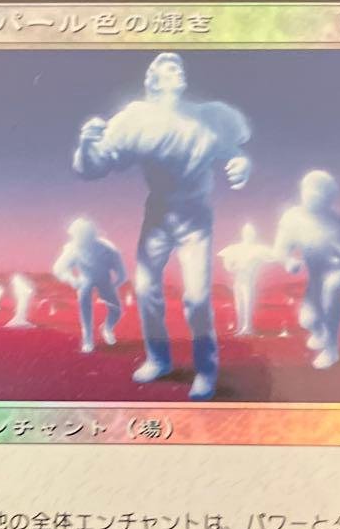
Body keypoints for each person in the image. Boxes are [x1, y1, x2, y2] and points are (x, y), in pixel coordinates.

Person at [72, 52, 251, 400]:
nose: (177, 72)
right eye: (169, 69)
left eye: (179, 68)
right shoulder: (136, 119)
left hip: (195, 218)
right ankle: (158, 358)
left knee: (197, 298)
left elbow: (232, 151)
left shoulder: (207, 118)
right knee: (145, 289)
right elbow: (93, 167)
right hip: (158, 214)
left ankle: (206, 370)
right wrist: (85, 144)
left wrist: (241, 164)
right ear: (153, 82)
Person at [273, 169, 340, 369]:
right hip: (317, 274)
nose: (312, 197)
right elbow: (280, 250)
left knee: (332, 287)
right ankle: (319, 331)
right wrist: (288, 261)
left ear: (329, 199)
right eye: (308, 191)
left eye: (319, 194)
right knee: (308, 320)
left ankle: (331, 349)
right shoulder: (292, 218)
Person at [52, 217, 127, 353]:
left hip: (104, 280)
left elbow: (121, 271)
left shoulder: (107, 249)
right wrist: (71, 279)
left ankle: (107, 328)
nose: (78, 239)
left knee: (117, 310)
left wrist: (116, 284)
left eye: (82, 235)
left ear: (91, 234)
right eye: (76, 235)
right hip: (85, 279)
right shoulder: (72, 248)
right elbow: (59, 268)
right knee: (84, 304)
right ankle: (88, 339)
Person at [218, 223, 274, 335]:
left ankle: (247, 327)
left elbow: (273, 256)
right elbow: (227, 263)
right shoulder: (235, 248)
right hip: (238, 279)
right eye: (246, 232)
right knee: (239, 304)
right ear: (242, 233)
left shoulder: (259, 249)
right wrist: (232, 267)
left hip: (249, 281)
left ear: (254, 234)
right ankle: (240, 327)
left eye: (251, 232)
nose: (248, 234)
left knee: (248, 303)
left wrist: (256, 261)